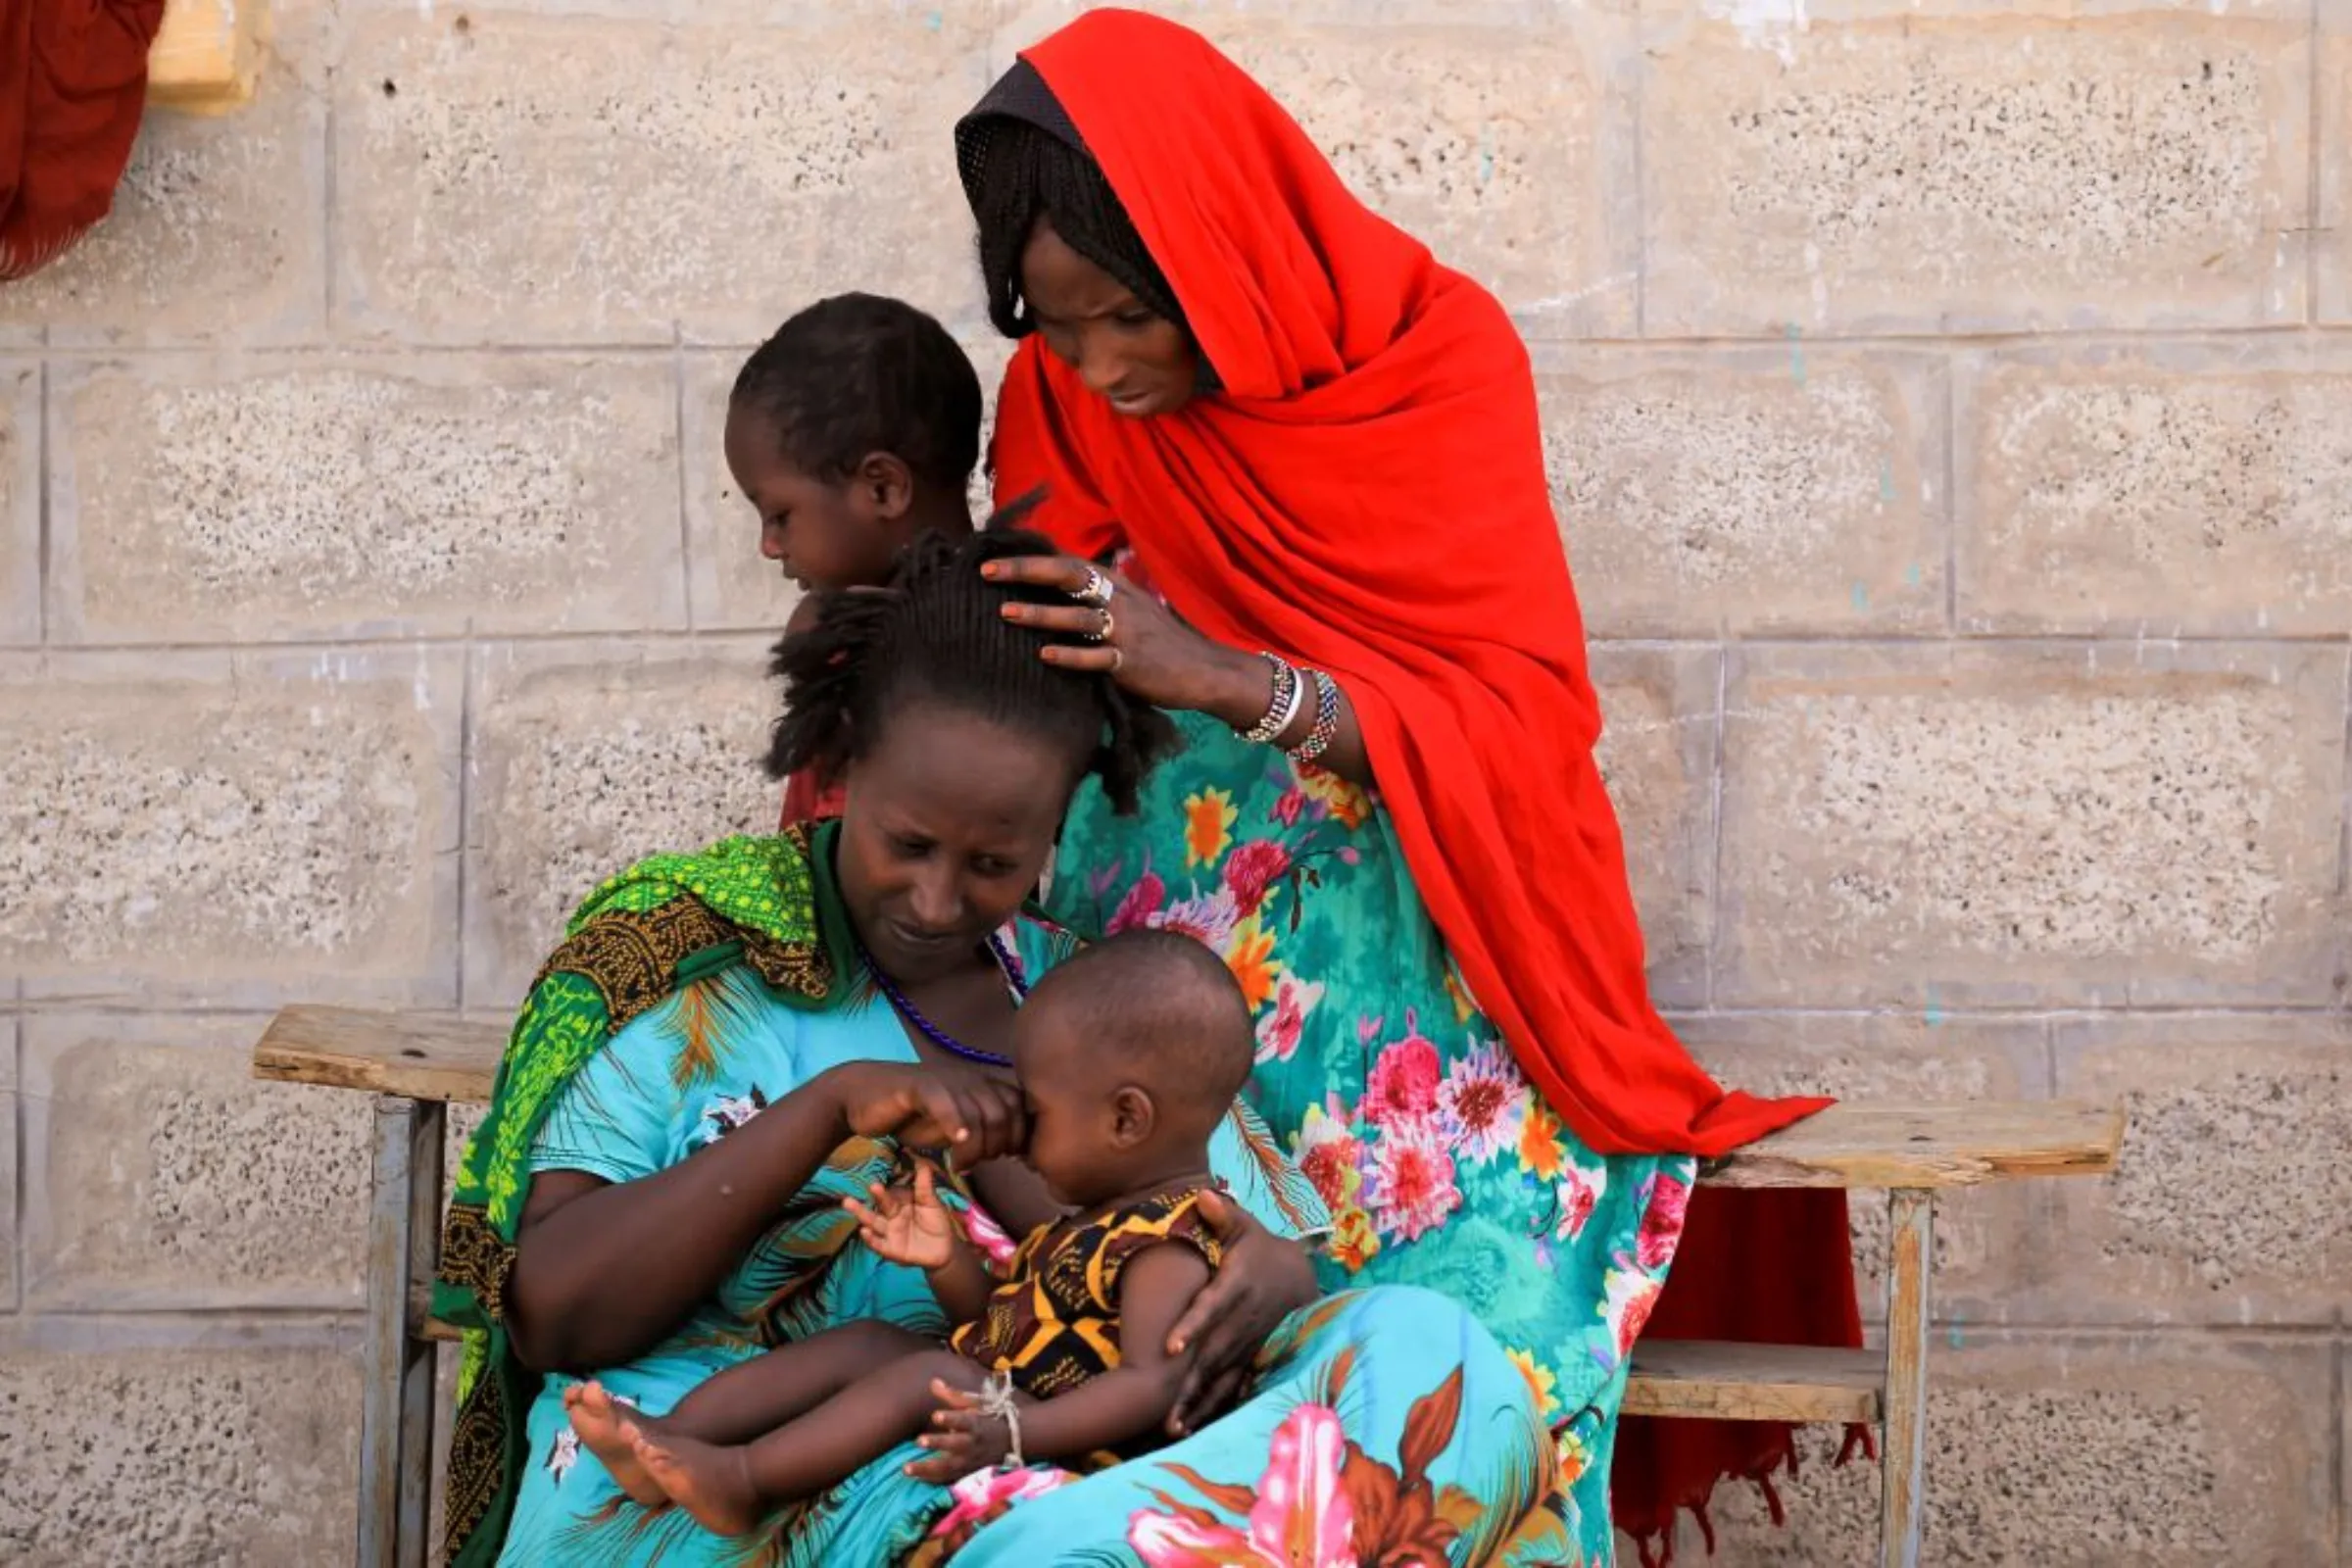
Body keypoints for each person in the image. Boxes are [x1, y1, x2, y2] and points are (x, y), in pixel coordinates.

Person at [954, 11, 1864, 1559]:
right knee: (1098, 1342)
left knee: (1430, 1385)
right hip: (1139, 1018)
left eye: (1126, 318)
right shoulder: (1060, 400)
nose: (1098, 369)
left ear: (1221, 258)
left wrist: (1235, 681)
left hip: (1426, 972)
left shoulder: (1436, 364)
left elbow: (1521, 719)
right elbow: (1007, 686)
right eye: (1056, 327)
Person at [432, 527, 1557, 1568]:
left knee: (1439, 1356)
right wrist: (829, 1107)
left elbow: (1216, 1235)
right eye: (906, 842)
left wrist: (1271, 1271)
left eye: (991, 863)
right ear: (842, 768)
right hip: (725, 1465)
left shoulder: (1077, 998)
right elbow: (553, 1314)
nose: (933, 897)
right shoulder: (687, 959)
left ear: (1055, 832)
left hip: (1044, 1454)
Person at [564, 929, 1259, 1538]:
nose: (1022, 1130)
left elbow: (1148, 1386)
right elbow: (1007, 1332)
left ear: (1126, 1121)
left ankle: (745, 1481)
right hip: (1017, 1397)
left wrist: (1020, 1432)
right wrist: (947, 1261)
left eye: (1039, 1110)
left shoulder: (1169, 1243)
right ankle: (669, 1441)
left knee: (933, 1374)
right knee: (871, 1342)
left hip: (1072, 1434)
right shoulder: (1097, 1218)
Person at [724, 292, 982, 825]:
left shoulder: (965, 655)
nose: (769, 546)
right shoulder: (841, 631)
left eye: (780, 516)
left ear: (883, 489)